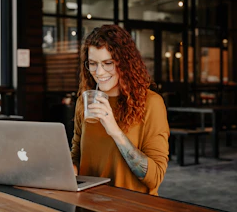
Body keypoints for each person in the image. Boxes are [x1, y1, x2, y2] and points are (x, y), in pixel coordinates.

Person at [71, 24, 170, 196]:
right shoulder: (85, 101)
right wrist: (64, 168)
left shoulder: (151, 103)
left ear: (125, 63)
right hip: (89, 203)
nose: (99, 72)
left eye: (108, 63)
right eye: (93, 64)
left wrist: (115, 131)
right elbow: (77, 156)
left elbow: (155, 178)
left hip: (131, 205)